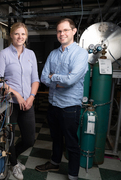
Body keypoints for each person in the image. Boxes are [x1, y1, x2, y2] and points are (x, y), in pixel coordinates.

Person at [35, 18, 88, 180]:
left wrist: (54, 78)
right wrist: (60, 80)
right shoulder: (53, 54)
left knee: (71, 142)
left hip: (70, 107)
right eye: (59, 31)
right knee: (56, 138)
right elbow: (44, 78)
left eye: (65, 30)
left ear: (74, 31)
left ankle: (72, 175)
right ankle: (54, 162)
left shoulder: (81, 54)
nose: (62, 34)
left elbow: (71, 80)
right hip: (53, 105)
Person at [0, 22, 39, 180]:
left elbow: (35, 79)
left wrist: (31, 97)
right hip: (10, 104)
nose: (20, 37)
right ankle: (14, 164)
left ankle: (11, 157)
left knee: (29, 139)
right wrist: (17, 95)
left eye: (23, 34)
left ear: (26, 36)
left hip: (28, 103)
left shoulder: (31, 55)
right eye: (16, 34)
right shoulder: (4, 54)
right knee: (10, 137)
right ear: (11, 36)